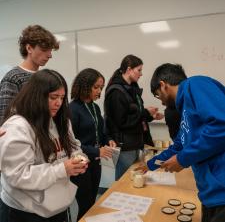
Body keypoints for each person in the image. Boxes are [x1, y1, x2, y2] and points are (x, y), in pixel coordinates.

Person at [0, 69, 88, 222]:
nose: (59, 103)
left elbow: (74, 146)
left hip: (57, 205)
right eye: (53, 97)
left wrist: (78, 157)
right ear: (36, 96)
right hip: (25, 210)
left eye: (61, 97)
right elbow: (18, 176)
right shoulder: (18, 126)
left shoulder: (61, 120)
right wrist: (62, 169)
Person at [147, 63, 225, 222]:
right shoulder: (185, 109)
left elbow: (221, 125)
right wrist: (150, 164)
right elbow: (179, 145)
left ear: (163, 85)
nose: (160, 102)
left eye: (157, 95)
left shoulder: (194, 84)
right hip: (210, 194)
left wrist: (182, 159)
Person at [104, 54, 163, 180]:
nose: (141, 74)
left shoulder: (132, 89)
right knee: (123, 180)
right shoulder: (116, 92)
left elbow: (136, 114)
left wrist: (150, 116)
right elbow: (122, 122)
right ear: (129, 69)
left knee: (133, 178)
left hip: (135, 143)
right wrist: (146, 113)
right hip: (125, 146)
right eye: (139, 70)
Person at [69, 68, 116, 220]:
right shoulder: (72, 109)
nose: (99, 91)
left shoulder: (95, 107)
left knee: (92, 202)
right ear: (85, 85)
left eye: (101, 87)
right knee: (85, 204)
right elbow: (71, 143)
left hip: (96, 162)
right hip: (81, 163)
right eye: (96, 87)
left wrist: (108, 140)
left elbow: (101, 132)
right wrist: (96, 151)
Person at [0, 24, 59, 124]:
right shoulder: (13, 78)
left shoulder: (44, 78)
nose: (50, 55)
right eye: (44, 50)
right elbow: (5, 118)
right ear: (29, 48)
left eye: (50, 50)